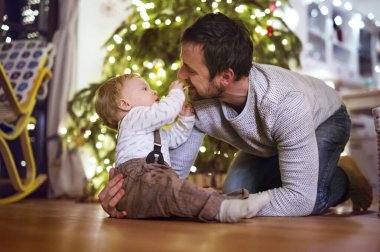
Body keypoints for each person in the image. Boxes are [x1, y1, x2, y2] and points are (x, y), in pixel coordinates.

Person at [99, 13, 372, 218]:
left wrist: (224, 206)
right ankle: (299, 167)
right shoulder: (197, 100)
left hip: (324, 119)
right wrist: (131, 198)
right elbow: (174, 175)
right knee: (237, 188)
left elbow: (298, 200)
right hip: (266, 140)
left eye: (189, 70)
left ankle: (345, 177)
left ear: (225, 76)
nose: (180, 76)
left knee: (309, 201)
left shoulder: (284, 103)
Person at [95, 73, 272, 222]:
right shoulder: (133, 118)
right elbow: (166, 113)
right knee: (177, 191)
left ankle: (233, 202)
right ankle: (223, 209)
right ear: (125, 104)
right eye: (145, 89)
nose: (153, 91)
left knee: (182, 194)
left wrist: (185, 120)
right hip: (139, 175)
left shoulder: (147, 128)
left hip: (154, 174)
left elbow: (174, 138)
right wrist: (176, 93)